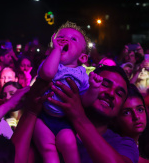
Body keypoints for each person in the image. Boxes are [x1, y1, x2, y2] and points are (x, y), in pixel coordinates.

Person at [33, 21, 103, 163]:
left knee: (70, 146)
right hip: (44, 118)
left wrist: (94, 89)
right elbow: (47, 74)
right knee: (48, 151)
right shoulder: (49, 63)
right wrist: (56, 51)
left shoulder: (82, 73)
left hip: (65, 121)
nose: (65, 39)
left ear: (82, 57)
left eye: (73, 39)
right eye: (61, 37)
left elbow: (85, 101)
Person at [48, 65, 139, 163]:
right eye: (104, 84)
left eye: (119, 94)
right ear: (87, 85)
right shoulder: (54, 121)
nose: (111, 94)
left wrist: (79, 117)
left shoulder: (125, 144)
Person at [111, 84, 149, 163]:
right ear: (115, 120)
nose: (136, 117)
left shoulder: (143, 140)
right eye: (127, 112)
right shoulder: (118, 146)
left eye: (140, 110)